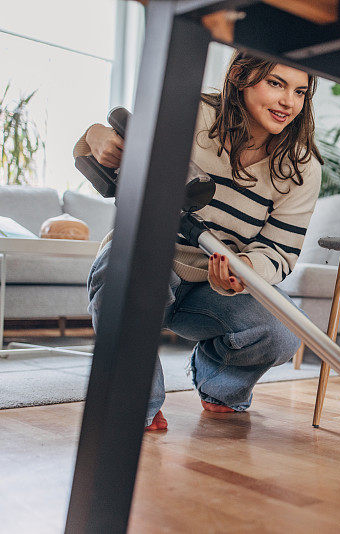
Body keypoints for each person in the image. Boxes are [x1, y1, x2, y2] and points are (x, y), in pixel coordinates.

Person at [74, 52, 323, 430]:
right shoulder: (194, 116)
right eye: (276, 83)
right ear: (241, 76)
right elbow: (108, 148)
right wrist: (95, 134)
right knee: (119, 278)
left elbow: (279, 251)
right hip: (152, 256)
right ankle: (136, 402)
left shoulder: (301, 166)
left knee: (283, 332)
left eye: (300, 91)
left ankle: (218, 384)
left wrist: (244, 272)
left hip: (214, 282)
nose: (289, 102)